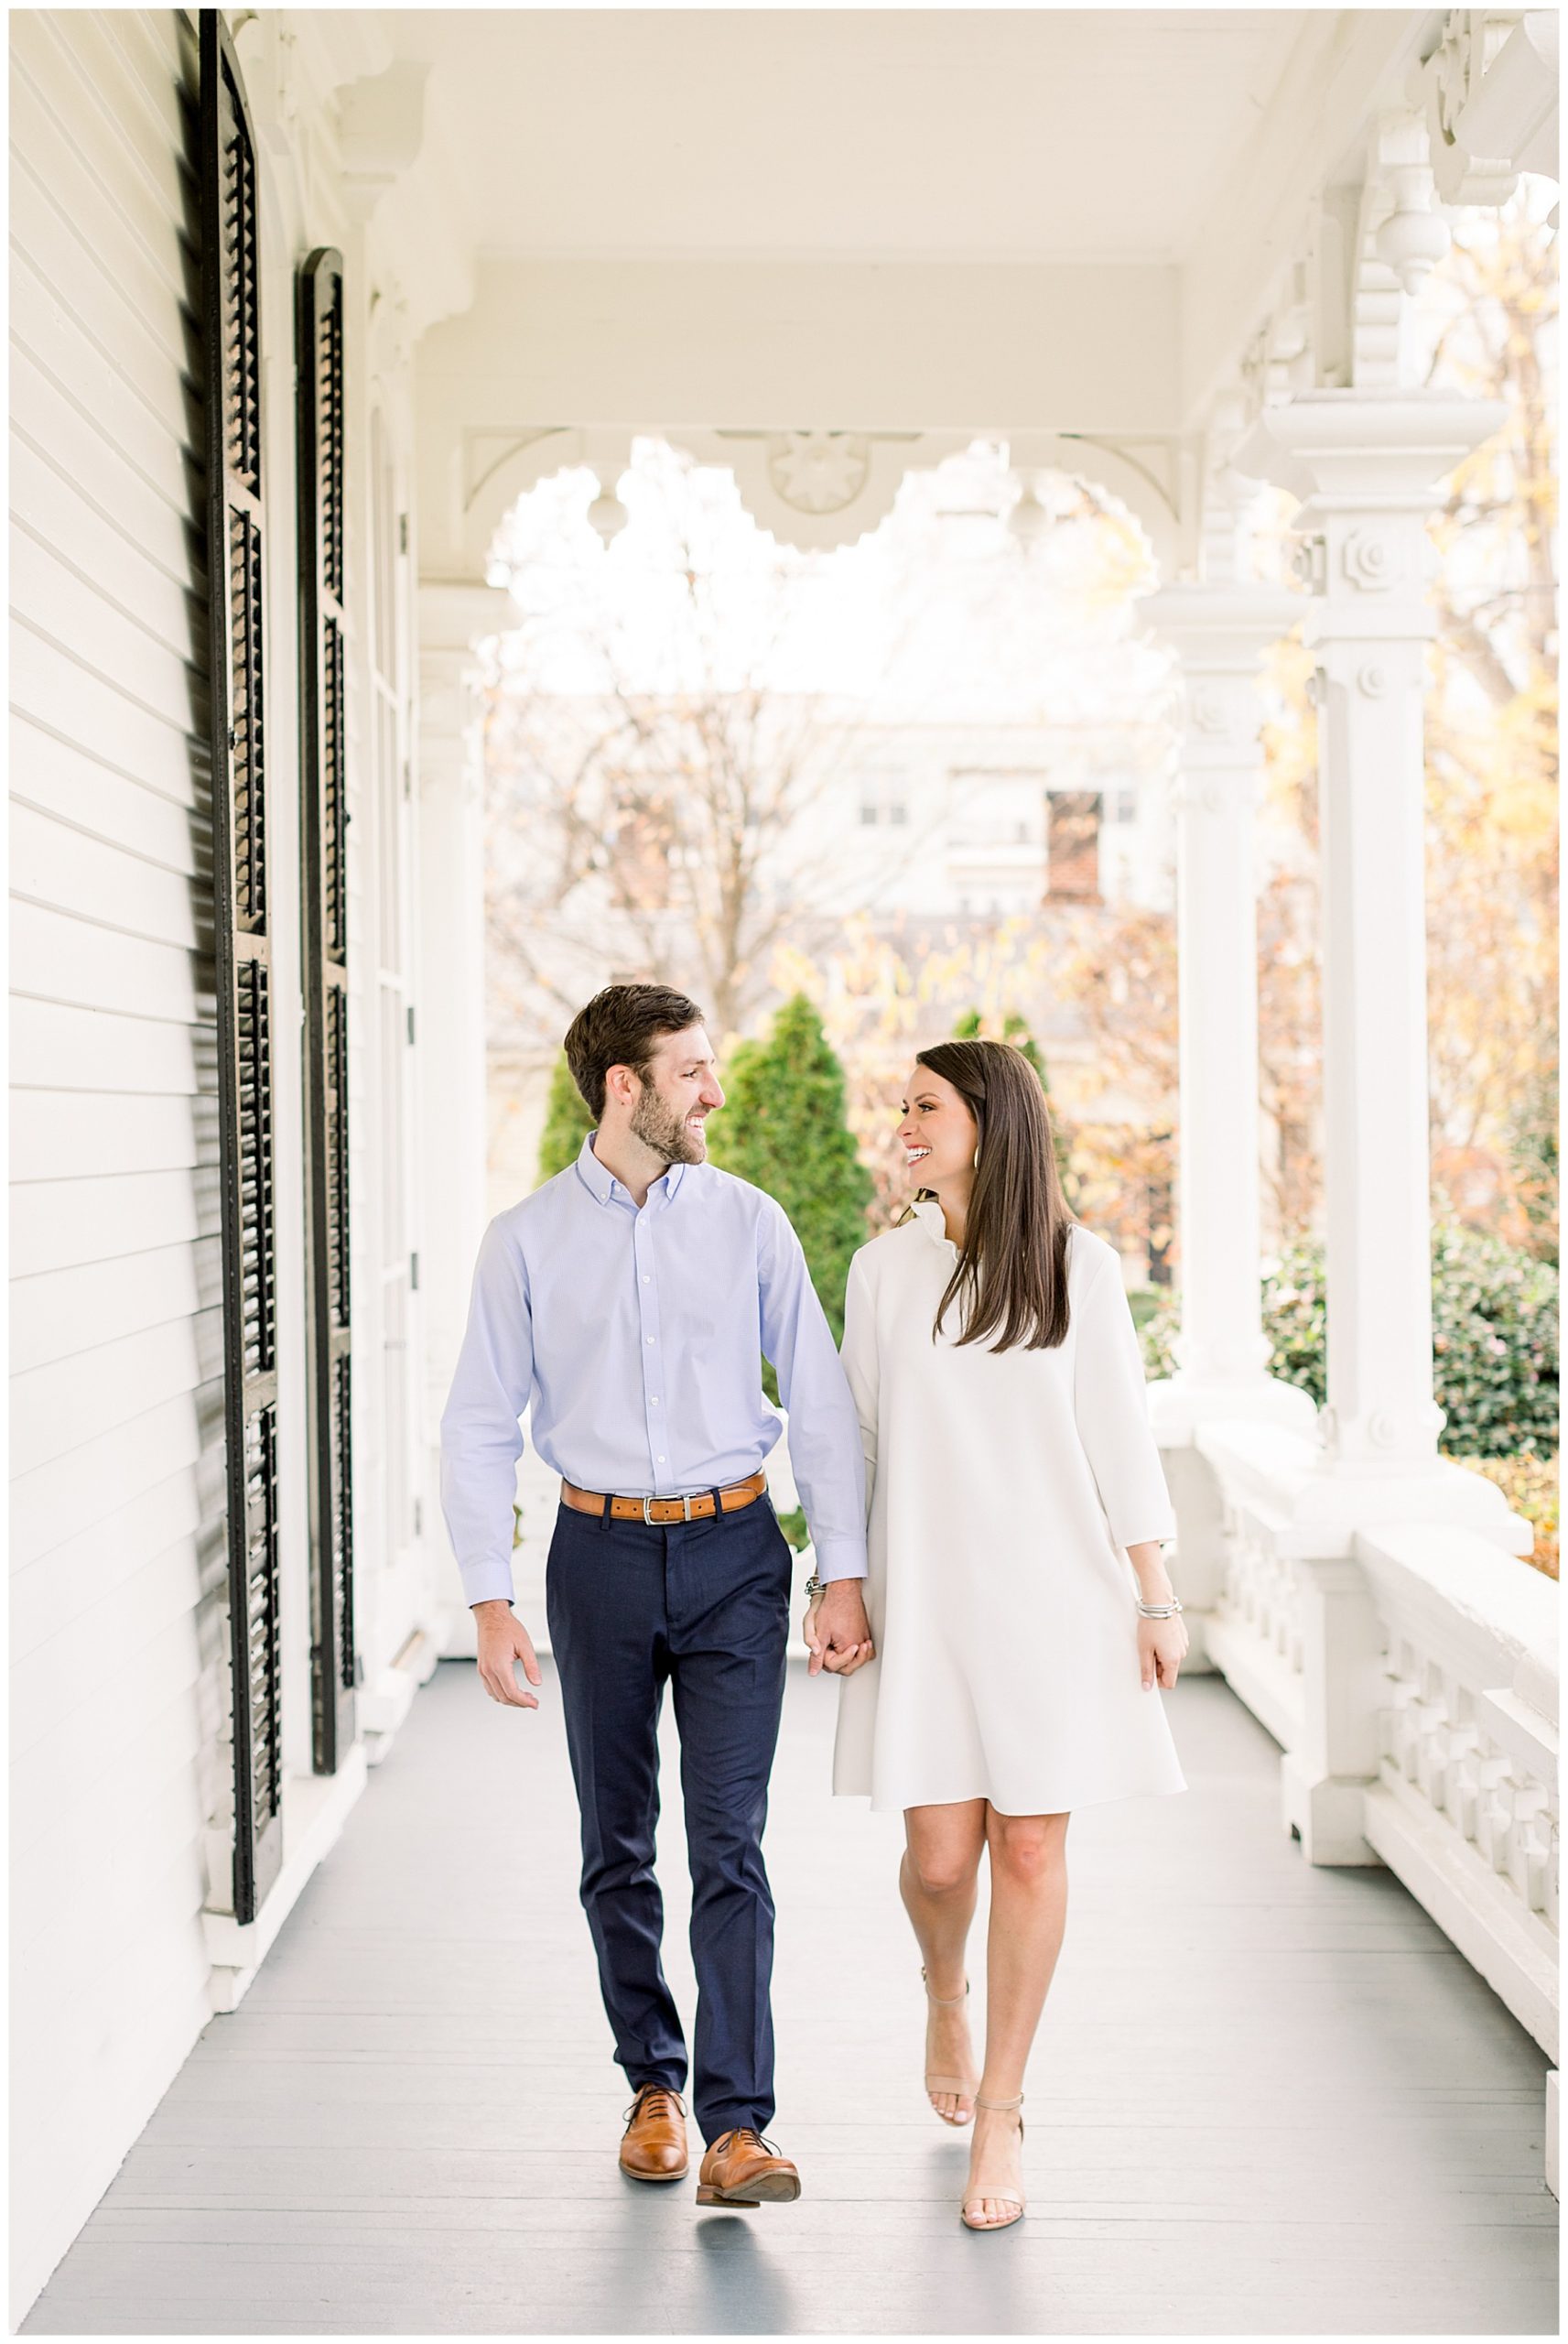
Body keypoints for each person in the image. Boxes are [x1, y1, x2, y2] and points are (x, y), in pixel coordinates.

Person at [439, 982, 874, 2211]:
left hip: (737, 1551)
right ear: (622, 1086)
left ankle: (741, 2128)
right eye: (691, 1071)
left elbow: (822, 1404)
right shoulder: (524, 1240)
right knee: (615, 1846)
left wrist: (838, 1571)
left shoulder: (750, 1223)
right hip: (598, 1560)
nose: (714, 1093)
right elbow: (479, 1423)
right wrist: (488, 1597)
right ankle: (653, 2086)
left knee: (729, 1842)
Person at [809, 1037, 1189, 2232]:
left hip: (1056, 1602)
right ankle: (941, 1990)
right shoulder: (881, 1272)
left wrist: (1153, 1588)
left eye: (923, 1106)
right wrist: (840, 1580)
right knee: (937, 1860)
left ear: (988, 1119)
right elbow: (854, 1442)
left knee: (1027, 1847)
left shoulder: (1081, 1265)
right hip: (926, 1599)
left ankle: (1003, 2110)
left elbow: (1119, 1435)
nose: (902, 1123)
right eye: (901, 1105)